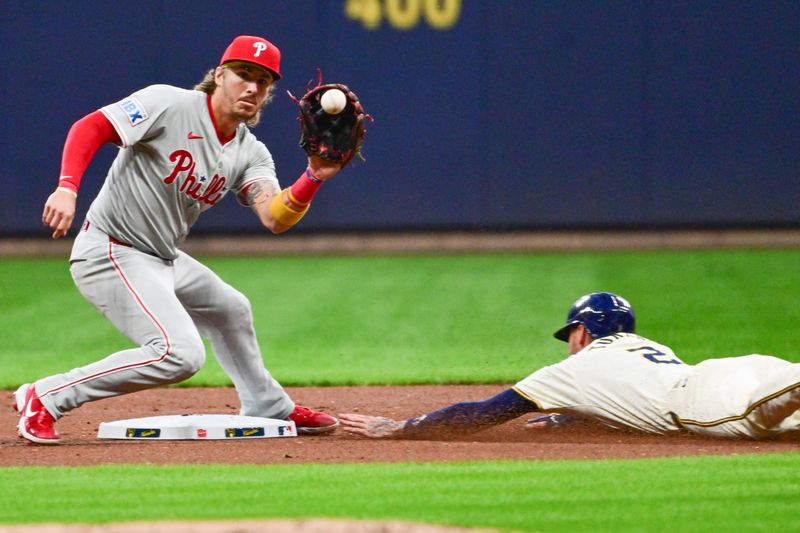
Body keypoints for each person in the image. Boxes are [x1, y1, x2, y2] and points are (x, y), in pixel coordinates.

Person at [15, 35, 344, 444]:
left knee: (232, 309)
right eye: (244, 74)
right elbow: (91, 127)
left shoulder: (249, 152)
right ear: (220, 75)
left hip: (163, 258)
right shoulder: (169, 104)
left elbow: (274, 217)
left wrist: (313, 176)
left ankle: (266, 404)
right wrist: (67, 187)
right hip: (111, 249)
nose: (252, 87)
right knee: (179, 355)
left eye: (263, 81)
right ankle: (47, 396)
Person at [340, 292, 800, 440]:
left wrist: (400, 427)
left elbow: (481, 413)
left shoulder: (573, 371)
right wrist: (568, 417)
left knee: (768, 410)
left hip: (708, 401)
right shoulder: (644, 346)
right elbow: (626, 395)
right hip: (737, 369)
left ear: (581, 332)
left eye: (569, 337)